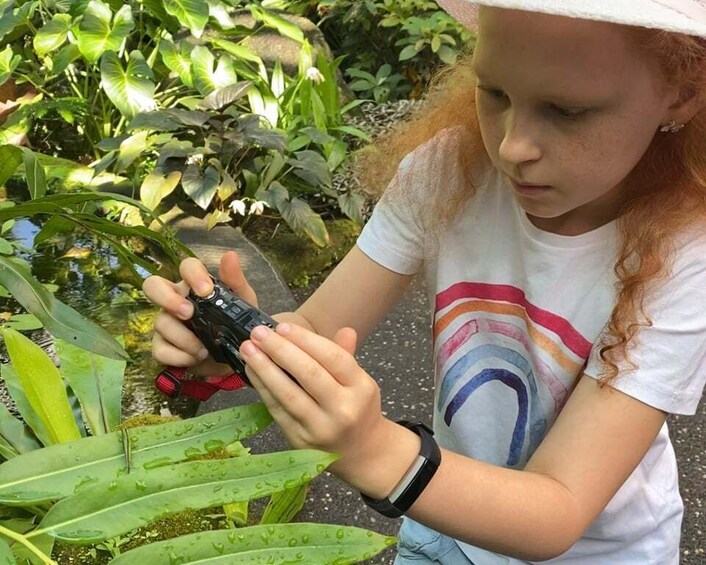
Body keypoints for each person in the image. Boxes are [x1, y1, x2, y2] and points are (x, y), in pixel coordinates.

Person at [143, 1, 706, 563]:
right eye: (495, 94)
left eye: (567, 110)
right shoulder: (449, 172)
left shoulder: (685, 255)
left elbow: (558, 508)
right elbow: (317, 326)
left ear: (681, 93)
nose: (513, 147)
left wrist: (375, 452)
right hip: (444, 525)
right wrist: (244, 342)